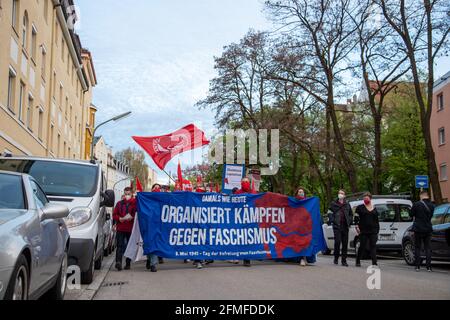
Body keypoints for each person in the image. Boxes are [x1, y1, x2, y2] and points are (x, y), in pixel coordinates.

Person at [113, 187, 136, 271]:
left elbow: (136, 214)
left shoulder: (135, 203)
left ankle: (128, 263)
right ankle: (118, 262)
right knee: (119, 246)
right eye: (126, 194)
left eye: (128, 194)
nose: (127, 196)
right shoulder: (119, 203)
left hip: (130, 229)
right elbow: (114, 214)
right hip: (121, 228)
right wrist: (119, 218)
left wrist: (132, 218)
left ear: (132, 194)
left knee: (129, 247)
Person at [411, 190, 435, 272]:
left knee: (417, 247)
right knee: (428, 248)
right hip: (428, 228)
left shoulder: (416, 204)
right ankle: (429, 267)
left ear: (421, 196)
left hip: (418, 229)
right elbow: (431, 216)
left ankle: (417, 266)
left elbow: (411, 214)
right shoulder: (432, 205)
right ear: (427, 196)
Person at [328, 189, 353, 267]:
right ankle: (336, 257)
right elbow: (329, 212)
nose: (340, 194)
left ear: (344, 195)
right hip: (337, 226)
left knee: (345, 243)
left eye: (342, 193)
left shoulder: (347, 204)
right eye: (339, 193)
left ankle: (344, 261)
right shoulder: (333, 203)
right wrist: (332, 221)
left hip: (345, 226)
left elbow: (350, 214)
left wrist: (350, 221)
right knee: (338, 242)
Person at [235, 177, 256, 267]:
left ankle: (247, 259)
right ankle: (235, 255)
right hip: (239, 218)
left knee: (248, 239)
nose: (245, 183)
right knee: (239, 238)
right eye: (244, 182)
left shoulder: (253, 192)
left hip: (250, 219)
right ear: (241, 183)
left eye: (247, 182)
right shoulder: (237, 193)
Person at [355, 192, 380, 267]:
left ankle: (374, 262)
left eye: (367, 198)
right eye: (364, 198)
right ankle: (358, 260)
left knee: (373, 246)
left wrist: (377, 230)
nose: (365, 200)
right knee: (362, 245)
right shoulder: (360, 207)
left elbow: (376, 220)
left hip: (373, 230)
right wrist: (357, 226)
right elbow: (356, 218)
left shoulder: (374, 208)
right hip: (363, 230)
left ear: (370, 198)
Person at [144, 184, 162, 272]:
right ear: (151, 189)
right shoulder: (146, 198)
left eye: (159, 188)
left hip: (158, 225)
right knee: (147, 244)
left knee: (155, 244)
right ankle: (149, 259)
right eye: (155, 188)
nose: (157, 189)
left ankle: (153, 264)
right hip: (148, 225)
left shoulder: (162, 199)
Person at [295, 187, 310, 266]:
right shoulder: (294, 202)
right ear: (297, 193)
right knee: (300, 243)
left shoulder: (308, 202)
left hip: (305, 226)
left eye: (302, 192)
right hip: (297, 226)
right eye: (299, 192)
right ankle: (301, 258)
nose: (301, 193)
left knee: (305, 242)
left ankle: (304, 258)